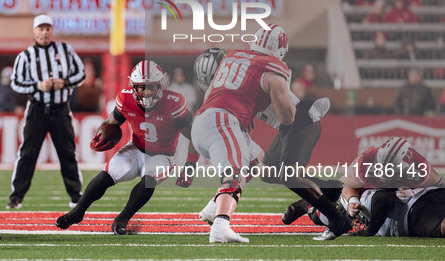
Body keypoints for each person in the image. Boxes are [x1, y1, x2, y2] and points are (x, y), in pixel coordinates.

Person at [191, 44, 346, 241]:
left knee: (282, 174)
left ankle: (334, 216)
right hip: (271, 124)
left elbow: (288, 117)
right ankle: (328, 189)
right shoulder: (239, 77)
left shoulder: (250, 72)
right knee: (266, 170)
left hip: (301, 123)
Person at [56, 60, 196, 235]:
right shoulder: (126, 97)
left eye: (151, 86)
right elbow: (110, 122)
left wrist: (190, 165)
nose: (147, 92)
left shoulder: (174, 102)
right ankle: (77, 212)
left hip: (162, 155)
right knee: (107, 175)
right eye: (141, 87)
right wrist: (101, 133)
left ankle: (122, 218)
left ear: (161, 85)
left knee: (149, 179)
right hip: (136, 148)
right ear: (133, 87)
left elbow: (194, 136)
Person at [7, 14, 85, 209]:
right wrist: (37, 86)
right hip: (37, 109)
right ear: (34, 32)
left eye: (47, 28)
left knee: (68, 153)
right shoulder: (25, 56)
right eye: (40, 29)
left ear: (52, 30)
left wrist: (65, 83)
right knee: (27, 154)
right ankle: (16, 196)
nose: (44, 32)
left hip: (61, 109)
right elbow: (15, 83)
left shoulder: (66, 50)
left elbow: (81, 74)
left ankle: (76, 195)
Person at [310, 137, 444, 238]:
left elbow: (438, 184)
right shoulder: (365, 163)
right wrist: (352, 201)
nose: (384, 174)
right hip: (407, 211)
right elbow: (347, 186)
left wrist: (412, 190)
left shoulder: (419, 169)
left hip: (410, 209)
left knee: (382, 198)